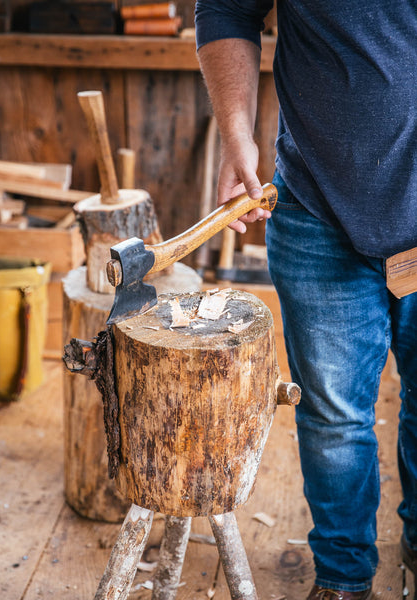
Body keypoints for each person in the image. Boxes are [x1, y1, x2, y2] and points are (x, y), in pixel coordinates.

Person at [194, 1, 417, 598]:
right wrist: (235, 136)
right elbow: (225, 8)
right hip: (319, 207)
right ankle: (345, 578)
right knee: (334, 418)